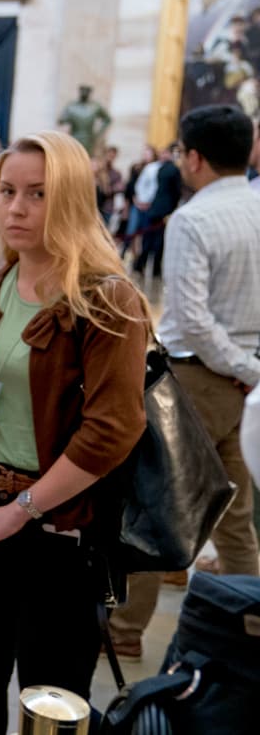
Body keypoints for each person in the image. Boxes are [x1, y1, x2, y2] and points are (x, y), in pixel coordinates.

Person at [0, 130, 150, 733]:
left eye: (38, 194)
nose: (16, 208)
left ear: (72, 201)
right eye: (7, 191)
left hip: (63, 532)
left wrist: (23, 510)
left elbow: (111, 430)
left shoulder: (107, 302)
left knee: (52, 700)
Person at [109, 104, 260, 657]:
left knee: (157, 506)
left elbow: (192, 318)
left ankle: (124, 631)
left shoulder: (194, 219)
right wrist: (251, 370)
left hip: (199, 376)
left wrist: (239, 368)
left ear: (194, 157)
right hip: (248, 382)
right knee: (236, 516)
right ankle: (249, 629)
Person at [132, 145, 183, 279]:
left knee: (149, 240)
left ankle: (142, 265)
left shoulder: (162, 169)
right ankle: (152, 268)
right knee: (157, 242)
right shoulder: (171, 169)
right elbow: (176, 191)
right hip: (162, 210)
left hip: (154, 208)